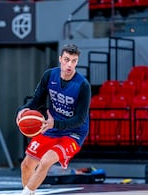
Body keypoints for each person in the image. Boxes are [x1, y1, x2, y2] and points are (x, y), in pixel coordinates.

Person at [16, 44, 91, 195]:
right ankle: (29, 192)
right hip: (52, 128)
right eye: (66, 60)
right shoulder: (49, 75)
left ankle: (25, 193)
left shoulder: (83, 85)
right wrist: (23, 110)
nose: (69, 64)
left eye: (74, 61)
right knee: (26, 165)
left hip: (73, 132)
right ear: (60, 59)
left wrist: (55, 123)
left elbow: (80, 119)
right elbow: (36, 101)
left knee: (45, 161)